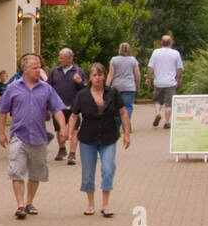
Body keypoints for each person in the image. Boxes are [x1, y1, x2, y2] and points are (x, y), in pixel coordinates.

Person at [0, 54, 67, 220]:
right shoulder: (13, 88)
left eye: (39, 67)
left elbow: (57, 109)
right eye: (35, 68)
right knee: (16, 170)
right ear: (25, 69)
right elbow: (2, 110)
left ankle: (29, 202)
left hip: (38, 136)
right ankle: (20, 205)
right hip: (18, 136)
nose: (39, 71)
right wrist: (1, 133)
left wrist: (63, 128)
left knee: (36, 172)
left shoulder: (46, 89)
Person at [68, 63, 132, 216]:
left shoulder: (113, 93)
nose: (97, 78)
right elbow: (74, 115)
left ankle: (105, 204)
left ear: (105, 76)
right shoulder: (82, 95)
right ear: (90, 78)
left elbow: (123, 113)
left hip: (109, 137)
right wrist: (70, 133)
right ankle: (90, 204)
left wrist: (127, 133)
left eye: (100, 75)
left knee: (108, 168)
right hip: (87, 138)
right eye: (94, 75)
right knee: (88, 172)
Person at [49, 48, 86, 164]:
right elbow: (48, 88)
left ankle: (72, 154)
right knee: (59, 131)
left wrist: (79, 82)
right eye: (59, 57)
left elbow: (86, 90)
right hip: (58, 107)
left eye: (62, 58)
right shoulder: (54, 72)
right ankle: (62, 149)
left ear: (70, 59)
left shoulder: (79, 71)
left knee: (74, 131)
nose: (60, 60)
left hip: (74, 106)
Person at [146, 35, 184, 128]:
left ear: (161, 43)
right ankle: (167, 122)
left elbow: (151, 67)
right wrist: (178, 78)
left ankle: (158, 113)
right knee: (169, 103)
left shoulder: (155, 52)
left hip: (158, 82)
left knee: (157, 101)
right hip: (170, 82)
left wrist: (148, 78)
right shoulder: (175, 53)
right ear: (170, 43)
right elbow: (179, 68)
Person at [106, 42, 141, 118]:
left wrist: (107, 86)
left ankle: (117, 126)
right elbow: (137, 74)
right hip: (129, 86)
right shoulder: (133, 60)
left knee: (117, 107)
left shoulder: (114, 60)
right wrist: (137, 84)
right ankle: (126, 124)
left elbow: (110, 75)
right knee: (128, 106)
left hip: (117, 86)